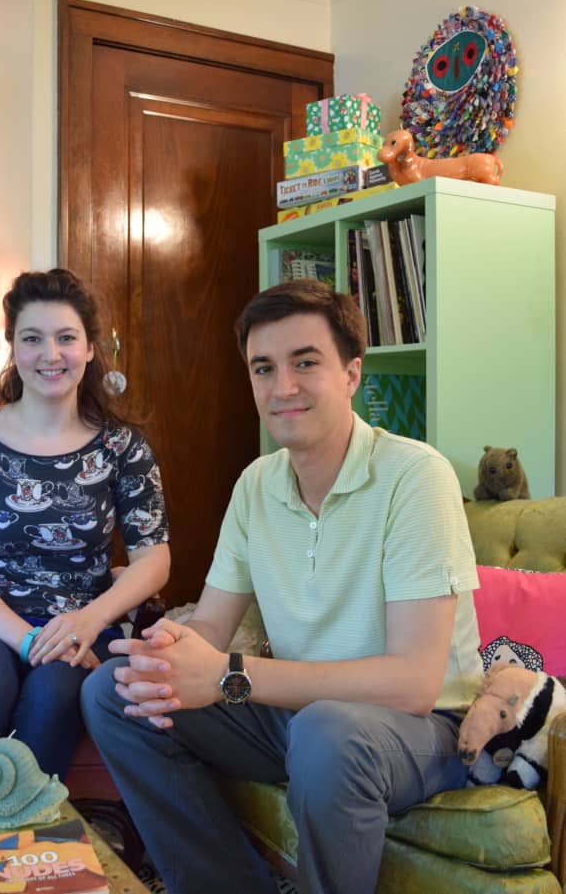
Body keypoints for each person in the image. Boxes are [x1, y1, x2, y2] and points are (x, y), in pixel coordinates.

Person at [81, 280, 483, 894]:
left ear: (351, 373)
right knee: (115, 692)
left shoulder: (415, 476)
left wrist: (224, 676)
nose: (282, 387)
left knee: (330, 732)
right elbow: (211, 627)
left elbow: (414, 684)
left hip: (420, 732)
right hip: (296, 714)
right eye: (263, 368)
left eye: (305, 363)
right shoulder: (256, 485)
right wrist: (164, 651)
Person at [0, 267, 170, 780]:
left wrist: (91, 619)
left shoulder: (122, 447)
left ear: (91, 349)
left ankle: (27, 842)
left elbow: (155, 559)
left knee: (55, 696)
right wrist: (27, 639)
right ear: (14, 347)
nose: (50, 355)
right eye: (32, 339)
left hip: (80, 624)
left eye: (66, 338)